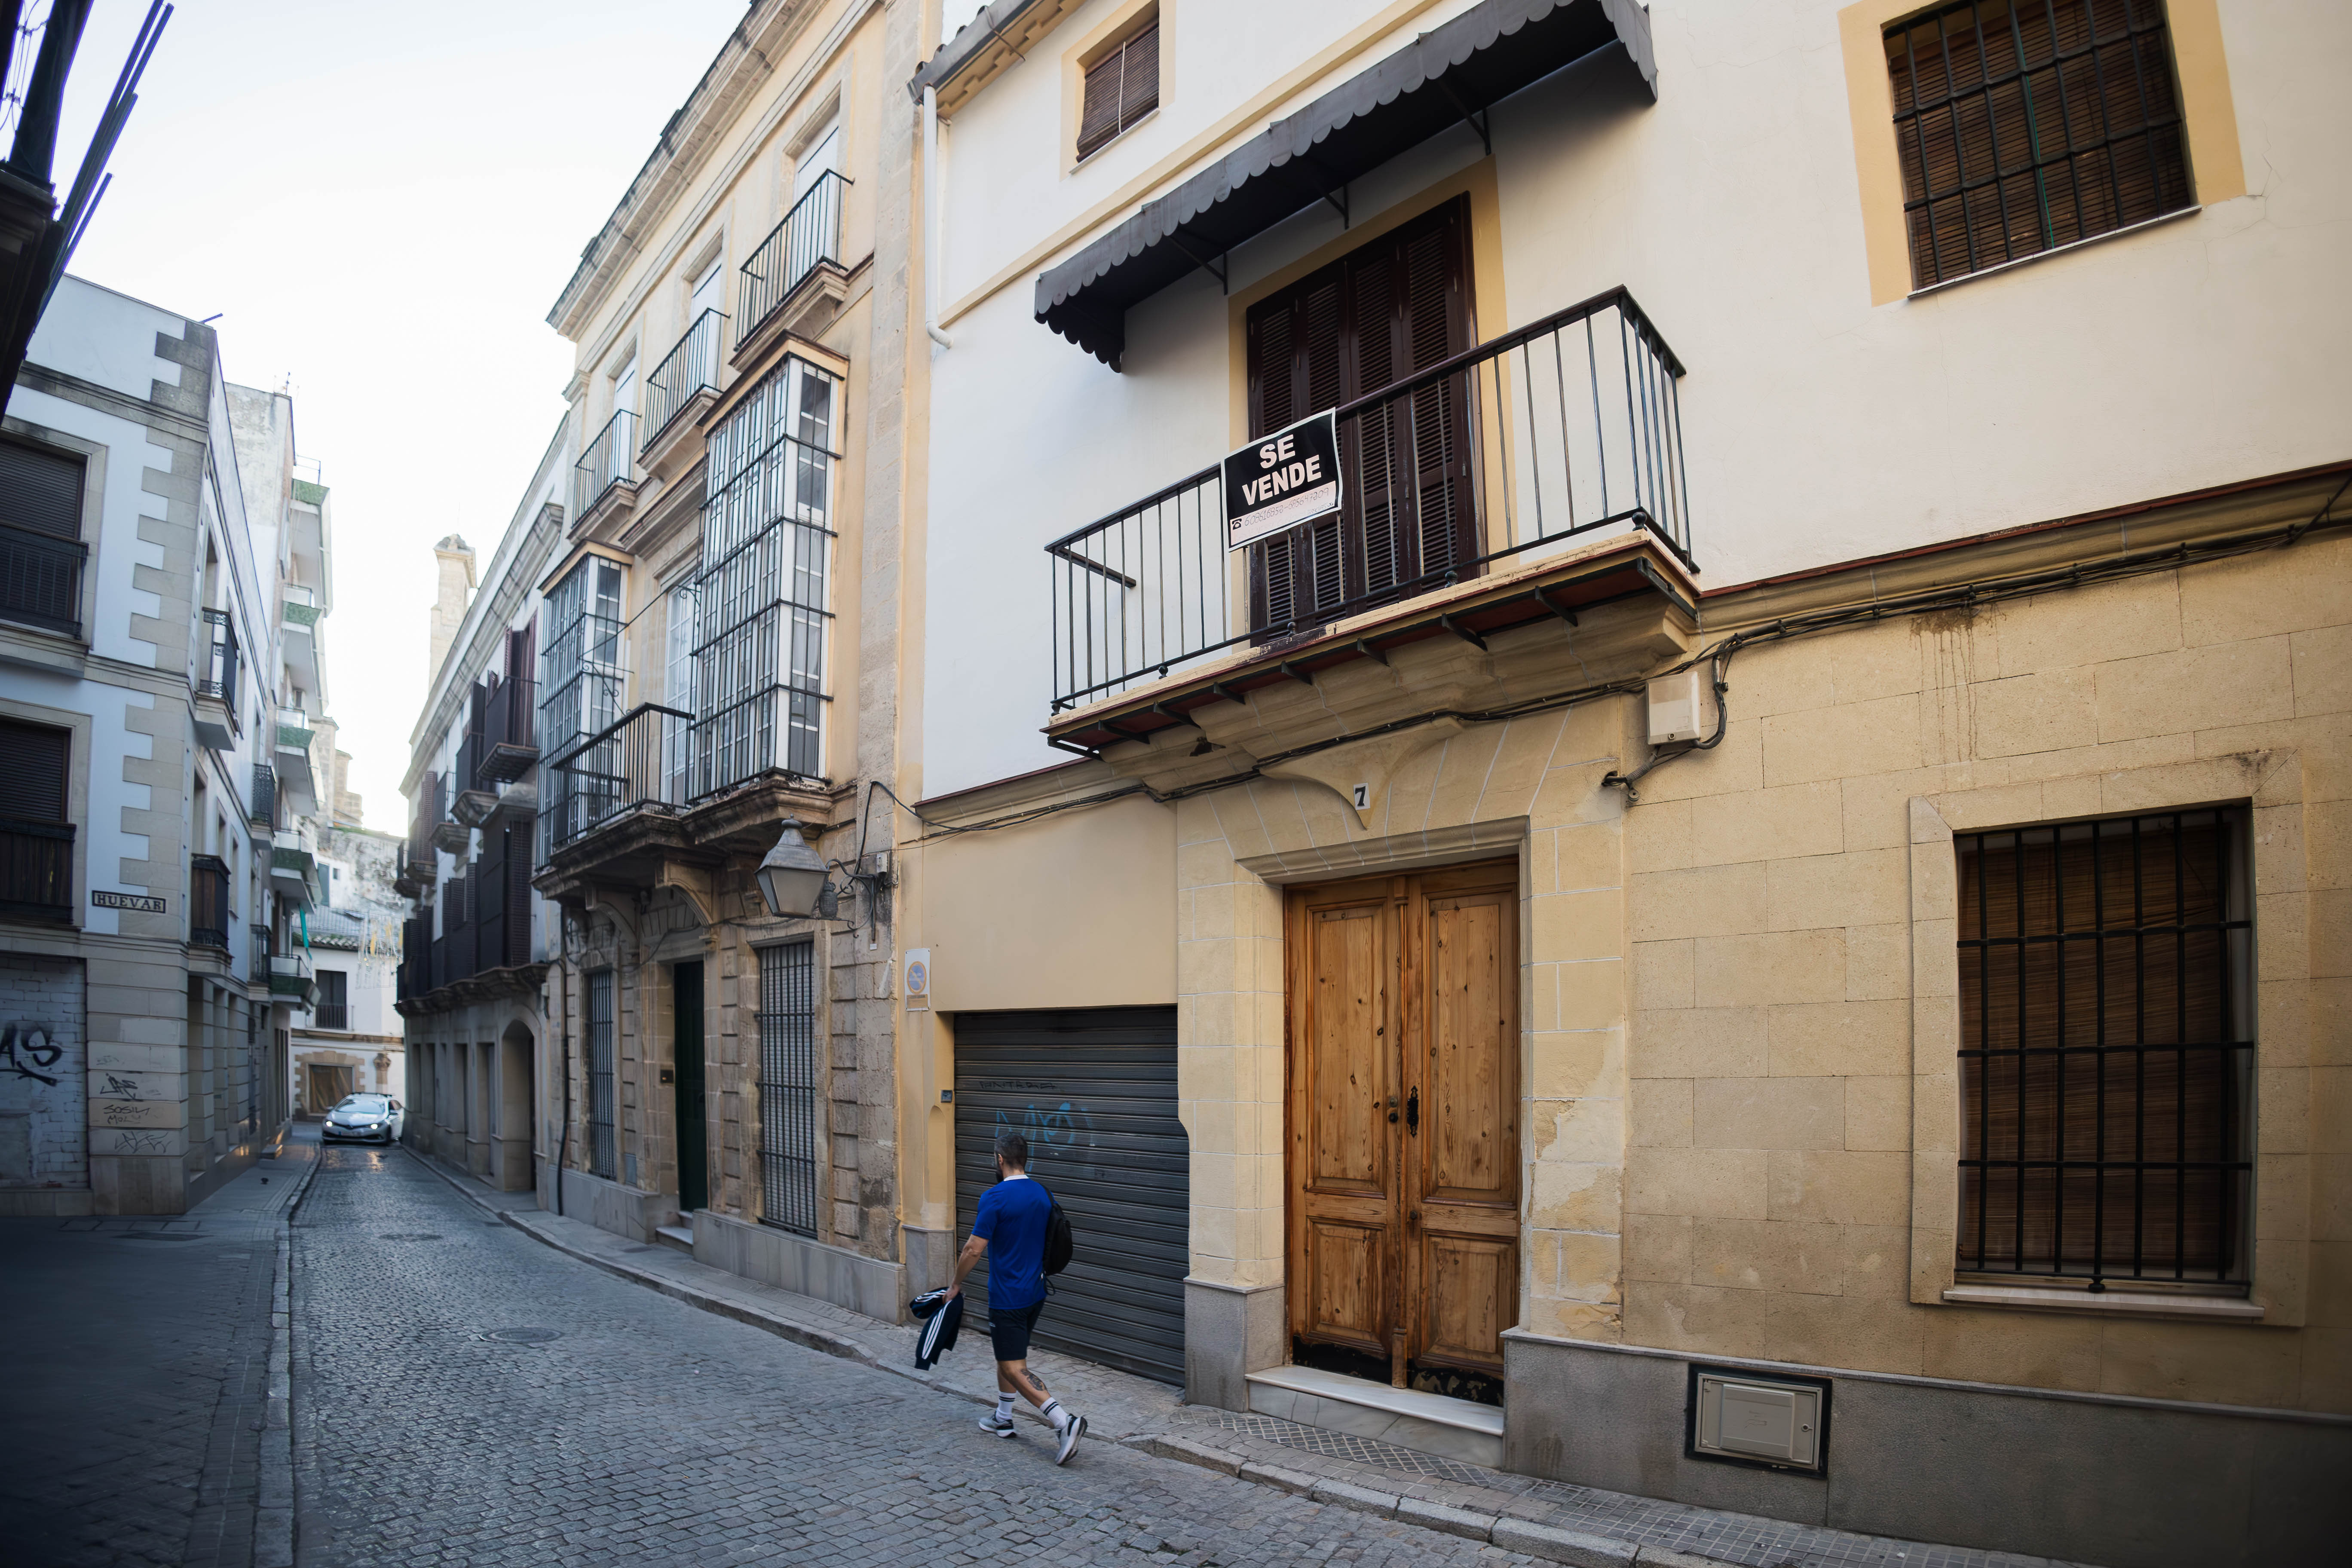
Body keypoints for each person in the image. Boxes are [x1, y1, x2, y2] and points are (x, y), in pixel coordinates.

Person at [945, 1130, 1086, 1464]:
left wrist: (955, 1284)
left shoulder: (994, 1198)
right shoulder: (1042, 1193)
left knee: (1013, 1365)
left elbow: (973, 1248)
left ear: (998, 1159)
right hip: (1035, 1292)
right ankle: (1003, 1417)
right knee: (1009, 1356)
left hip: (1007, 1296)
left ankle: (1064, 1422)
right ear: (1026, 1159)